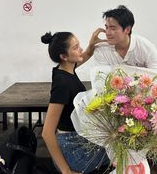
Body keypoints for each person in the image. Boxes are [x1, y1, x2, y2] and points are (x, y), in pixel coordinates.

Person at [93, 5, 157, 174]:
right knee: (101, 111)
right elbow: (101, 83)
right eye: (106, 27)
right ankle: (122, 158)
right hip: (116, 98)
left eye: (113, 28)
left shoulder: (145, 47)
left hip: (143, 97)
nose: (107, 32)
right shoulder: (101, 50)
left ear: (127, 29)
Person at [41, 29, 109, 174]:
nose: (81, 49)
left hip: (77, 138)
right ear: (64, 56)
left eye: (79, 45)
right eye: (76, 47)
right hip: (73, 150)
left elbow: (84, 55)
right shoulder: (63, 84)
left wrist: (92, 44)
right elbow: (47, 133)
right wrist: (66, 171)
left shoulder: (65, 68)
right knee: (119, 148)